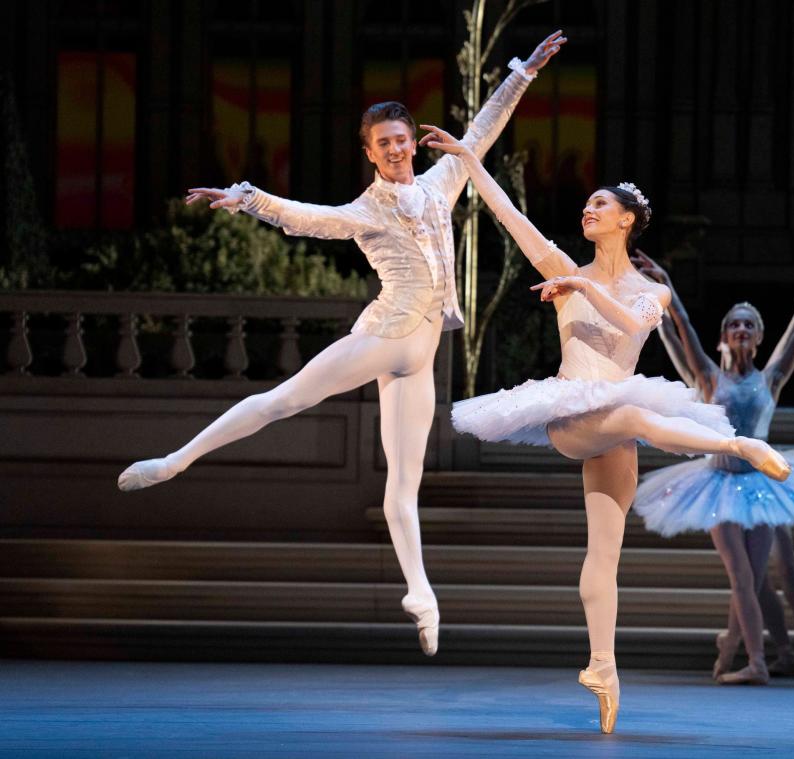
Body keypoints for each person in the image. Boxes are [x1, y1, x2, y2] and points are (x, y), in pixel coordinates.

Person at [116, 31, 567, 658]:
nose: (394, 149)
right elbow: (307, 217)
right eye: (382, 144)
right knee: (284, 400)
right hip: (387, 335)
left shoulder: (441, 184)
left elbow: (483, 132)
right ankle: (174, 461)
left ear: (413, 141)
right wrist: (248, 199)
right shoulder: (368, 209)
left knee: (402, 488)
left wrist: (523, 73)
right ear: (370, 155)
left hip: (421, 355)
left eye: (401, 139)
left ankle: (421, 596)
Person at [420, 123, 791, 733]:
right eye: (587, 204)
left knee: (605, 550)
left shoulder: (652, 291)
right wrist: (467, 158)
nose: (588, 209)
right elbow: (510, 215)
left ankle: (603, 667)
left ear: (626, 220)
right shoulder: (565, 268)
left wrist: (581, 285)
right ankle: (738, 444)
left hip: (613, 425)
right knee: (639, 416)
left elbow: (634, 323)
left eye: (600, 204)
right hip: (571, 415)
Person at [631, 251, 794, 683]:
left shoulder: (770, 378)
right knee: (742, 577)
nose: (740, 329)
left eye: (748, 325)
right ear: (726, 334)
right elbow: (683, 327)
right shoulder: (711, 377)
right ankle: (748, 656)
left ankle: (741, 649)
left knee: (753, 580)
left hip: (761, 483)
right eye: (734, 323)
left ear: (757, 337)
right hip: (718, 481)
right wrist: (665, 285)